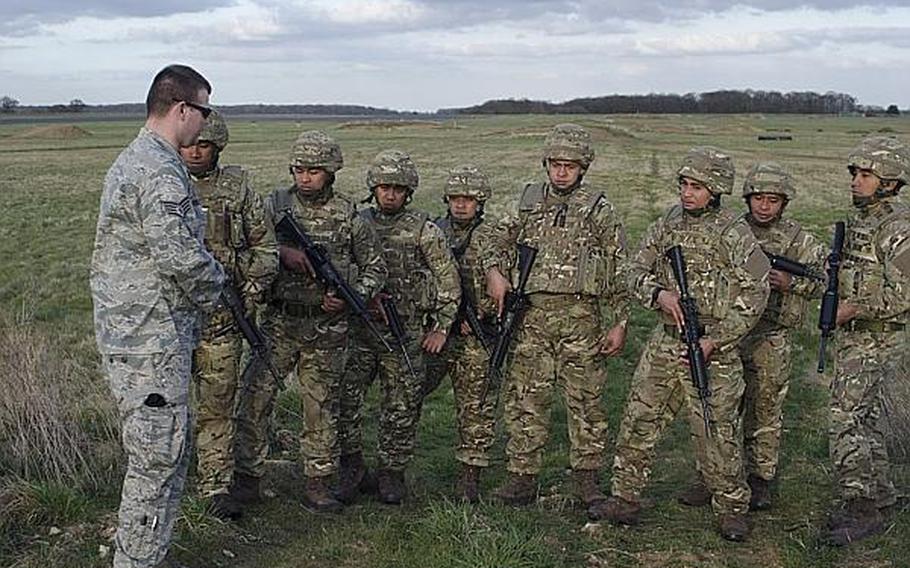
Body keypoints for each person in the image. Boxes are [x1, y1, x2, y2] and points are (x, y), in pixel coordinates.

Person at [90, 64, 224, 568]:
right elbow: (180, 256)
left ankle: (148, 554)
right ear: (182, 109)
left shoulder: (146, 160)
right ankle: (138, 560)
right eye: (203, 111)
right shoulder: (157, 169)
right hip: (148, 337)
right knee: (156, 458)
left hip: (148, 332)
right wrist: (219, 286)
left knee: (163, 454)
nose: (205, 125)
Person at [600, 146, 770, 542]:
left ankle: (731, 508)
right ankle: (625, 497)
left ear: (716, 190)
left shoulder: (734, 233)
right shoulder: (668, 223)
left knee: (717, 431)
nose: (688, 193)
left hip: (713, 347)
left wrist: (718, 338)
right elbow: (633, 269)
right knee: (639, 419)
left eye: (697, 187)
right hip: (666, 341)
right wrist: (659, 294)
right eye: (684, 184)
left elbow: (756, 291)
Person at [482, 124, 630, 520]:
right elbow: (493, 242)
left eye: (570, 165)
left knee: (586, 401)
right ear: (546, 164)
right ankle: (522, 477)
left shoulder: (599, 208)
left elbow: (619, 267)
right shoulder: (528, 202)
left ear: (583, 168)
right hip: (531, 317)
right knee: (526, 398)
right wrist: (495, 272)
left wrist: (620, 322)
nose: (562, 172)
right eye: (555, 164)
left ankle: (585, 480)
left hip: (582, 318)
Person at [257, 131, 387, 512]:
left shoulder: (349, 216)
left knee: (321, 408)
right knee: (256, 398)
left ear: (330, 172)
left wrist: (351, 297)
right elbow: (250, 245)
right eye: (299, 169)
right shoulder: (274, 206)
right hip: (280, 322)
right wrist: (283, 252)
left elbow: (374, 268)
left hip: (327, 329)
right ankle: (246, 478)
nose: (305, 177)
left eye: (314, 171)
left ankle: (318, 482)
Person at [336, 149, 460, 505]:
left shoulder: (424, 230)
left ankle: (392, 472)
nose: (390, 194)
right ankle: (352, 466)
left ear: (409, 192)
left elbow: (448, 281)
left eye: (398, 189)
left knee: (402, 406)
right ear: (373, 188)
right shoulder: (357, 223)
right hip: (359, 333)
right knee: (346, 400)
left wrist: (441, 327)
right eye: (385, 187)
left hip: (404, 334)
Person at [178, 110, 278, 519]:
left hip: (223, 323)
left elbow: (266, 250)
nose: (195, 152)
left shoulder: (239, 192)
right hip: (171, 323)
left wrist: (249, 292)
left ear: (217, 147)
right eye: (189, 144)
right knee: (163, 405)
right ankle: (162, 482)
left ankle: (215, 487)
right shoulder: (164, 184)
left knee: (217, 406)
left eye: (204, 145)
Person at [825, 136, 910, 546]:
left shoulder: (897, 227)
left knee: (845, 422)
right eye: (854, 174)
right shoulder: (865, 220)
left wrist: (856, 308)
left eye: (866, 175)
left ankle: (861, 509)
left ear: (890, 181)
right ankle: (881, 496)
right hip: (859, 339)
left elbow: (905, 292)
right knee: (870, 422)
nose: (855, 182)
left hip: (879, 340)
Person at [732, 163, 825, 511]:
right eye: (758, 198)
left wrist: (791, 284)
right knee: (722, 407)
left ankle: (760, 478)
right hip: (730, 332)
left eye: (772, 200)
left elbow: (826, 281)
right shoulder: (732, 230)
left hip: (772, 335)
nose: (764, 206)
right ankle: (715, 474)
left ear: (784, 203)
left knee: (766, 407)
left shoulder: (798, 239)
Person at [425, 165, 501, 502]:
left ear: (480, 202)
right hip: (436, 331)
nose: (461, 205)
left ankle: (470, 475)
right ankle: (391, 466)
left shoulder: (493, 236)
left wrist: (480, 315)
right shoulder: (432, 232)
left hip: (474, 334)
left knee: (476, 406)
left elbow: (505, 286)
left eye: (468, 199)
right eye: (455, 198)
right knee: (408, 392)